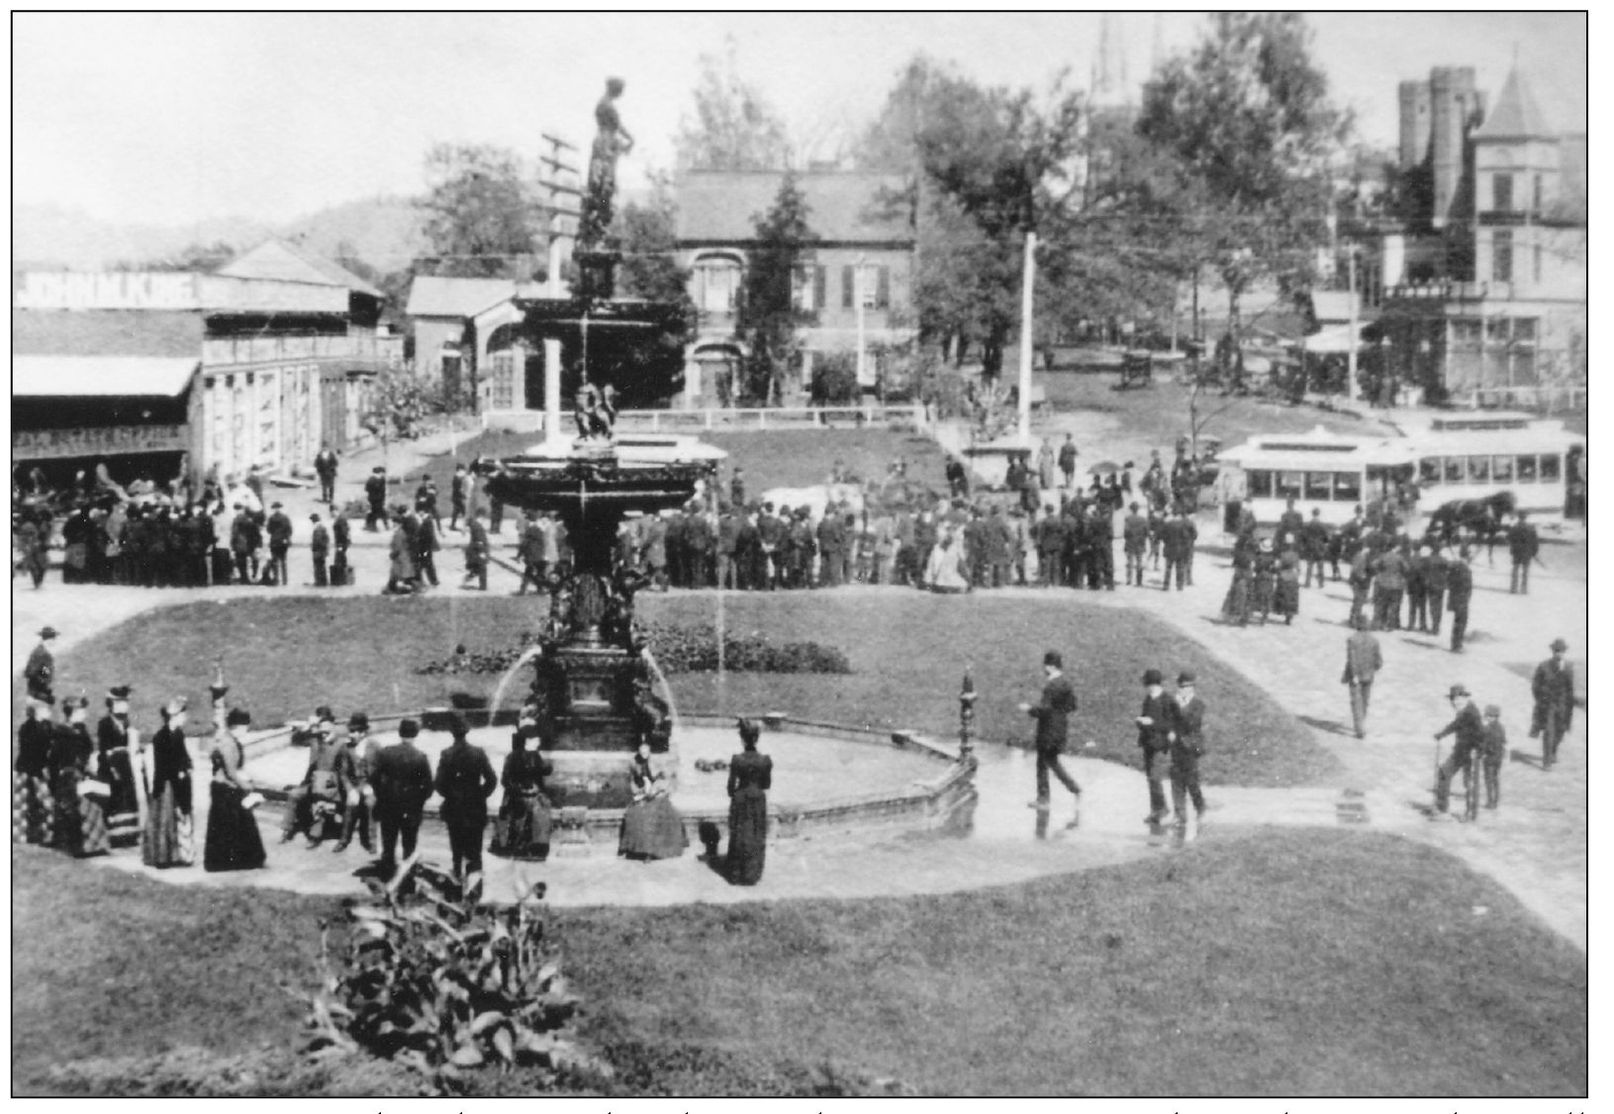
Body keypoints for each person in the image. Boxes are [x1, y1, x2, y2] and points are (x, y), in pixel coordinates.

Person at [435, 713, 498, 889]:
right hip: (475, 807)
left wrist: (451, 795)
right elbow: (492, 780)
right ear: (466, 732)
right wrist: (480, 794)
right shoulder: (478, 753)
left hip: (454, 808)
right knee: (475, 849)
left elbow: (438, 784)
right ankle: (475, 886)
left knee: (456, 848)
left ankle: (457, 881)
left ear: (452, 733)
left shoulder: (446, 754)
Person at [204, 707, 267, 871]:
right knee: (239, 824)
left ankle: (226, 861)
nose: (246, 731)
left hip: (222, 788)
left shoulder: (225, 739)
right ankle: (240, 861)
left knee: (226, 827)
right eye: (245, 727)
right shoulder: (229, 743)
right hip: (226, 790)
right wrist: (246, 786)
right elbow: (231, 772)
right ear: (238, 727)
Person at [1018, 650, 1081, 812]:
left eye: (1046, 665)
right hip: (1061, 729)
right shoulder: (1066, 683)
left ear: (1051, 666)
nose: (1044, 669)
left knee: (1042, 764)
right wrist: (1059, 713)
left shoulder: (1051, 686)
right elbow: (1073, 705)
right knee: (1052, 761)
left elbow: (1044, 709)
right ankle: (1074, 788)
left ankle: (1043, 799)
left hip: (1047, 730)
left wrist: (1029, 709)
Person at [371, 718, 434, 880]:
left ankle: (386, 875)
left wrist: (382, 796)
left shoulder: (385, 753)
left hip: (388, 806)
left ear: (400, 733)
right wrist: (417, 802)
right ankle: (407, 879)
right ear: (416, 734)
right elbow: (428, 787)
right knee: (409, 846)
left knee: (388, 845)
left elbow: (374, 778)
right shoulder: (420, 757)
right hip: (410, 809)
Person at [51, 695, 110, 858]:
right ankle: (80, 847)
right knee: (79, 806)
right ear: (73, 712)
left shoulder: (82, 730)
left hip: (83, 775)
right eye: (81, 710)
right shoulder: (61, 733)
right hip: (69, 778)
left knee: (95, 803)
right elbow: (56, 761)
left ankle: (95, 844)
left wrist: (89, 769)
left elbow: (89, 752)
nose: (85, 713)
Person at [490, 715, 553, 861]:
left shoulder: (532, 756)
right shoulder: (515, 757)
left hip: (528, 795)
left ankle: (532, 847)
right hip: (518, 796)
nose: (536, 741)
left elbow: (544, 771)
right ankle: (525, 847)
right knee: (524, 813)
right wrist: (520, 791)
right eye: (533, 738)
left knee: (536, 811)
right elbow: (506, 780)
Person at [279, 708, 345, 845]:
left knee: (319, 799)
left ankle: (315, 836)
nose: (323, 732)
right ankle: (286, 829)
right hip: (314, 782)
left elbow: (344, 770)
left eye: (325, 725)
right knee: (294, 794)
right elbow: (296, 740)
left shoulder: (339, 743)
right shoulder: (316, 739)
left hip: (331, 785)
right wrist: (307, 728)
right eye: (320, 726)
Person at [142, 697, 195, 868]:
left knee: (180, 816)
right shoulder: (161, 736)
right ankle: (163, 857)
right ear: (174, 716)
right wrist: (178, 771)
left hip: (178, 782)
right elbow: (163, 764)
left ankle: (179, 854)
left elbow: (184, 755)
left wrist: (187, 765)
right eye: (182, 714)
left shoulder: (178, 733)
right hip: (166, 784)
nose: (185, 718)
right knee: (166, 819)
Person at [618, 741, 688, 860]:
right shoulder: (635, 763)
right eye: (641, 752)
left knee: (657, 815)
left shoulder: (657, 764)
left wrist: (656, 791)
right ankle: (637, 849)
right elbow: (632, 782)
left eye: (645, 751)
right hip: (642, 795)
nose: (643, 754)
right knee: (634, 814)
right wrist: (637, 792)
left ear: (649, 751)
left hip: (657, 795)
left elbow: (666, 781)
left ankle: (652, 851)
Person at [725, 717, 772, 885]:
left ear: (742, 739)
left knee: (739, 834)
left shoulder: (737, 759)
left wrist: (736, 795)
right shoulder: (765, 760)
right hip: (757, 799)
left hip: (741, 798)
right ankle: (752, 874)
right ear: (757, 738)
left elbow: (730, 786)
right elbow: (766, 784)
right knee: (755, 834)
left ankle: (736, 873)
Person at [95, 685, 142, 848]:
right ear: (112, 704)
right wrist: (112, 768)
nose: (124, 707)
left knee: (128, 797)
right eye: (120, 703)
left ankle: (129, 834)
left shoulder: (126, 723)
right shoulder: (105, 724)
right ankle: (116, 836)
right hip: (111, 765)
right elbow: (104, 749)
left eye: (125, 703)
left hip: (125, 763)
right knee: (115, 798)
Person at [1431, 684, 1485, 820]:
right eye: (1453, 699)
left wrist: (1477, 750)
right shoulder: (1465, 710)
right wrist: (1441, 734)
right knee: (1449, 774)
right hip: (1463, 749)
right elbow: (1456, 724)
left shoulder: (1470, 712)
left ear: (1465, 697)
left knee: (1464, 779)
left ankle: (1451, 812)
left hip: (1469, 751)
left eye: (1458, 699)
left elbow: (1480, 733)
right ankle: (1445, 809)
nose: (1455, 702)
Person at [332, 712, 378, 853]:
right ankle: (344, 840)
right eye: (350, 731)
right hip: (354, 785)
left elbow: (381, 771)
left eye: (354, 732)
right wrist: (350, 790)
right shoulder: (346, 748)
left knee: (370, 803)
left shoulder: (375, 747)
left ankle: (370, 841)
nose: (350, 735)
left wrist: (372, 786)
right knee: (351, 804)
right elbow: (343, 773)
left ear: (363, 733)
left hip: (370, 786)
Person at [1168, 672, 1207, 830]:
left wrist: (1177, 708)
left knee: (1191, 781)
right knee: (1177, 780)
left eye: (1189, 687)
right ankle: (1180, 815)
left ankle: (1200, 807)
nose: (1185, 690)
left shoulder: (1198, 704)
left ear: (1193, 688)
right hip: (1176, 746)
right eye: (1182, 687)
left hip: (1190, 746)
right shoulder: (1174, 703)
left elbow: (1192, 723)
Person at [14, 699, 56, 846]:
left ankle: (45, 835)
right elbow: (31, 752)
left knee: (44, 805)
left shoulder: (47, 726)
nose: (50, 712)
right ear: (38, 711)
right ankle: (19, 839)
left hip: (39, 770)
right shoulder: (28, 728)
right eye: (47, 709)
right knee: (22, 806)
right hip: (26, 771)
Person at [1136, 669, 1175, 824]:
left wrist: (1151, 723)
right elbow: (1145, 717)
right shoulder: (1148, 699)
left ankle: (1163, 809)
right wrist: (1141, 722)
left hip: (1160, 745)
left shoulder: (1167, 700)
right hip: (1148, 743)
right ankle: (1156, 811)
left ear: (1152, 684)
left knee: (1155, 777)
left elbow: (1170, 724)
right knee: (1150, 779)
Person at [1530, 638, 1575, 771]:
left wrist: (1570, 704)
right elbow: (1535, 685)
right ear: (1552, 651)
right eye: (1556, 651)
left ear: (1564, 652)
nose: (1558, 653)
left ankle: (1553, 751)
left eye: (1561, 651)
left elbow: (1570, 688)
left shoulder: (1568, 667)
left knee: (1560, 731)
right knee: (1549, 731)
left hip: (1563, 706)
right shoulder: (1543, 666)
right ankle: (1546, 761)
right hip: (1547, 704)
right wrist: (1541, 699)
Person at [1342, 613, 1383, 739]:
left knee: (1356, 702)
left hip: (1356, 675)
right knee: (1365, 701)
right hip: (1368, 675)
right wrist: (1373, 669)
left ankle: (1360, 729)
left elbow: (1351, 658)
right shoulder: (1374, 640)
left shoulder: (1352, 639)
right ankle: (1361, 723)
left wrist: (1354, 674)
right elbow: (1379, 661)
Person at [1446, 547, 1474, 653]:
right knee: (1461, 622)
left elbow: (1449, 581)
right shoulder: (1464, 568)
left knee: (1458, 622)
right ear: (1467, 556)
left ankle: (1456, 644)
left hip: (1455, 597)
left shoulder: (1455, 566)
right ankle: (1457, 645)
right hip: (1462, 599)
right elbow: (1466, 585)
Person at [1480, 704, 1507, 810]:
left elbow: (1485, 744)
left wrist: (1481, 753)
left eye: (1488, 716)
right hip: (1499, 757)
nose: (1486, 717)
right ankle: (1495, 801)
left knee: (1489, 780)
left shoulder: (1488, 728)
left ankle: (1490, 802)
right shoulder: (1501, 727)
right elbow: (1504, 741)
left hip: (1490, 758)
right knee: (1495, 779)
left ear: (1493, 717)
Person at [1507, 512, 1539, 594]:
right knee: (1525, 571)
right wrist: (1534, 552)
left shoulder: (1514, 527)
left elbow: (1508, 538)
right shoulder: (1531, 528)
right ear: (1526, 518)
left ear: (1519, 518)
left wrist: (1512, 547)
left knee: (1515, 570)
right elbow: (1535, 541)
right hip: (1526, 552)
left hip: (1517, 551)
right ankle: (1524, 589)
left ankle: (1513, 588)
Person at [25, 626, 58, 704]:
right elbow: (29, 672)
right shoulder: (40, 653)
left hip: (40, 692)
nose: (54, 641)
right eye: (53, 639)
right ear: (48, 640)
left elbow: (44, 670)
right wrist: (42, 680)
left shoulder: (43, 652)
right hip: (36, 695)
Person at [1274, 533, 1301, 624]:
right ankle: (1290, 614)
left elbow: (1279, 566)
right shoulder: (1296, 555)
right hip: (1293, 577)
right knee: (1292, 596)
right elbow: (1298, 568)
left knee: (1283, 595)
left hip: (1283, 576)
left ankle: (1283, 611)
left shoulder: (1282, 554)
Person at [462, 509, 490, 591]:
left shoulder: (475, 524)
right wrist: (482, 552)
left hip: (474, 550)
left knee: (478, 567)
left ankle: (472, 574)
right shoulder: (478, 526)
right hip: (478, 550)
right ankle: (483, 587)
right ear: (481, 516)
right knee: (483, 568)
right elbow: (479, 540)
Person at [265, 502, 293, 586]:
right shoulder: (285, 518)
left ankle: (276, 579)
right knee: (283, 561)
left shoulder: (271, 518)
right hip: (283, 542)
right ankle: (285, 580)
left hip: (274, 541)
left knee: (275, 561)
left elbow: (268, 530)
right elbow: (289, 530)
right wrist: (286, 538)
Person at [309, 513, 330, 588]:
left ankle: (319, 582)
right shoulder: (322, 527)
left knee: (318, 566)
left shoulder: (317, 528)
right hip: (322, 550)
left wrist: (313, 547)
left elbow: (318, 540)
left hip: (318, 550)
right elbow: (327, 539)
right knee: (322, 566)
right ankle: (323, 581)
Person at [364, 467, 387, 532]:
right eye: (382, 473)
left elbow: (383, 490)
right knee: (376, 513)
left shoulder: (382, 480)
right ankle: (372, 526)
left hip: (380, 499)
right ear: (379, 473)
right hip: (373, 499)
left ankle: (372, 526)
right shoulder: (371, 480)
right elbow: (367, 490)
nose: (383, 474)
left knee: (379, 512)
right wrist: (368, 501)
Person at [449, 463, 469, 532]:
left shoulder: (457, 477)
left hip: (455, 497)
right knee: (464, 512)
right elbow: (459, 490)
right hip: (458, 498)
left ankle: (452, 525)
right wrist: (464, 495)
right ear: (460, 470)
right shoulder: (457, 479)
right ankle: (466, 526)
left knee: (456, 511)